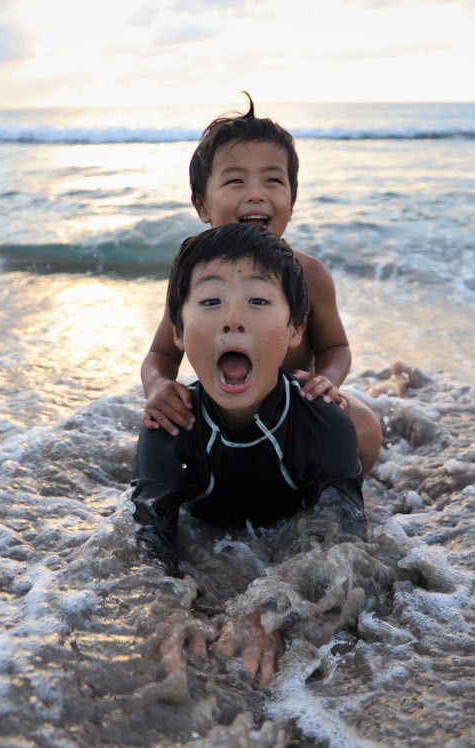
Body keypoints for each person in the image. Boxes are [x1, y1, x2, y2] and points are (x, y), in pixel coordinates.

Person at [132, 223, 368, 689]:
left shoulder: (322, 423)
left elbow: (345, 550)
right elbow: (146, 544)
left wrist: (269, 614)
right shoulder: (171, 430)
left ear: (295, 330)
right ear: (178, 331)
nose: (233, 320)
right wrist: (167, 610)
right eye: (210, 302)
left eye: (258, 301)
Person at [141, 94, 384, 477]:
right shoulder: (196, 276)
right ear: (202, 204)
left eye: (273, 180)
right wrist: (159, 388)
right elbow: (161, 355)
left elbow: (335, 347)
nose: (256, 193)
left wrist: (327, 381)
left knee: (365, 426)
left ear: (292, 199)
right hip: (224, 406)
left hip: (296, 406)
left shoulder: (310, 274)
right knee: (158, 434)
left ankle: (352, 484)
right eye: (235, 180)